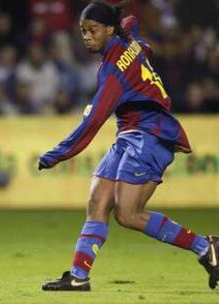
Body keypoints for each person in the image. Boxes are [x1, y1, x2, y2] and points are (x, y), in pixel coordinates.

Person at [38, 0, 219, 292]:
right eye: (83, 30)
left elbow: (92, 122)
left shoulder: (111, 74)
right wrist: (125, 27)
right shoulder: (129, 42)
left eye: (92, 30)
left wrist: (57, 155)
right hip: (131, 134)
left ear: (109, 29)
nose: (86, 36)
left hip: (151, 134)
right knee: (98, 200)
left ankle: (206, 246)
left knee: (128, 213)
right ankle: (78, 276)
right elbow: (135, 30)